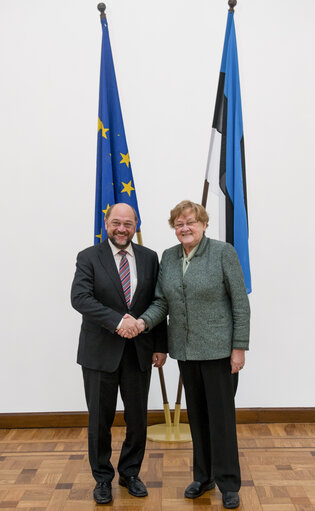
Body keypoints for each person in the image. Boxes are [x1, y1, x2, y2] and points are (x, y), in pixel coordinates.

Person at [118, 200, 250, 509]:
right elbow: (162, 302)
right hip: (187, 352)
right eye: (179, 224)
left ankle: (229, 483)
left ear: (203, 224)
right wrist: (143, 321)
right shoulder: (169, 257)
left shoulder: (222, 253)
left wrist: (239, 348)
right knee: (197, 420)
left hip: (219, 352)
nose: (185, 228)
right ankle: (203, 477)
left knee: (221, 420)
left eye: (190, 222)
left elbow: (240, 303)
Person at [71, 203, 167, 505]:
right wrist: (118, 321)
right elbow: (80, 298)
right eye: (116, 223)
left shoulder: (150, 258)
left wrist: (161, 345)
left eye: (128, 223)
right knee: (100, 419)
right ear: (107, 223)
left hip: (140, 351)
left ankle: (130, 473)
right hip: (100, 353)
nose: (122, 229)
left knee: (137, 419)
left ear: (136, 224)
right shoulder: (89, 257)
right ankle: (102, 478)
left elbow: (160, 302)